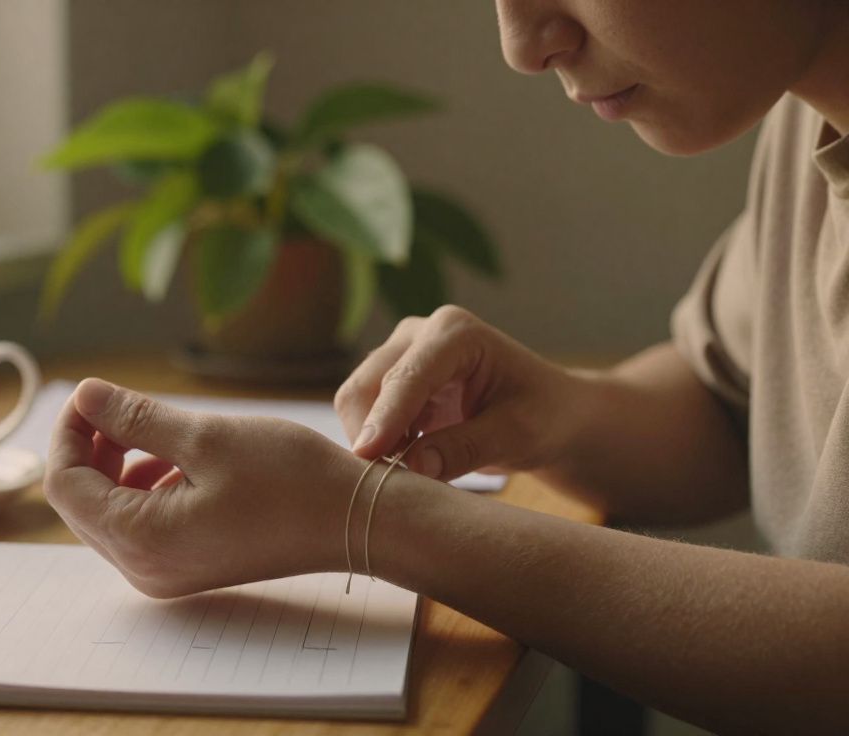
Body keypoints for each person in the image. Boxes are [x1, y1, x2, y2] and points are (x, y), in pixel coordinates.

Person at [44, 1, 849, 731]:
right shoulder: (804, 109)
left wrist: (369, 521)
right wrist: (557, 414)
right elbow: (730, 403)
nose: (523, 45)